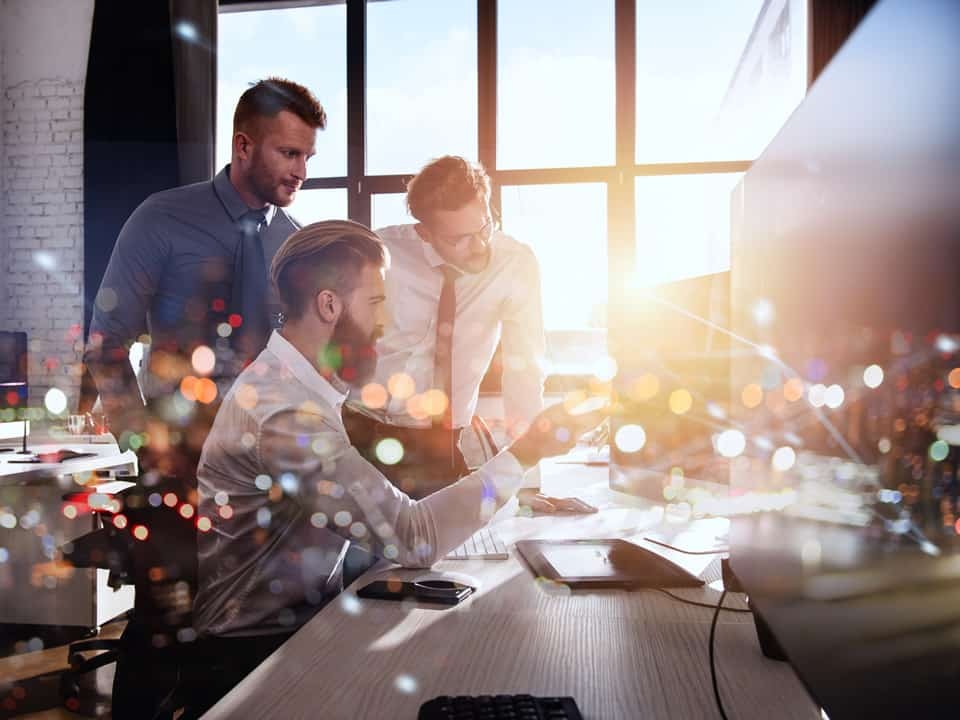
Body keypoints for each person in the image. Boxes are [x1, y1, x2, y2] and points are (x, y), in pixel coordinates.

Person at [188, 220, 607, 713]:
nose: (386, 323)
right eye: (376, 303)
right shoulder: (284, 413)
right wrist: (527, 452)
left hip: (297, 623)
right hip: (252, 658)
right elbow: (412, 536)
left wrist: (507, 487)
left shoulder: (301, 386)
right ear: (329, 304)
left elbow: (380, 504)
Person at [83, 77, 325, 472]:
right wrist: (141, 442)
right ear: (243, 146)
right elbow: (105, 340)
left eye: (307, 158)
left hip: (273, 470)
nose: (302, 172)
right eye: (289, 154)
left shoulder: (298, 245)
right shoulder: (160, 219)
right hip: (178, 461)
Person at [345, 155, 576, 509]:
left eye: (484, 228)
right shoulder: (380, 254)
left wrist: (526, 483)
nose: (479, 247)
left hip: (439, 442)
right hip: (358, 431)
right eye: (458, 240)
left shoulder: (515, 264)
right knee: (354, 554)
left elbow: (525, 371)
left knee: (443, 551)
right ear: (425, 232)